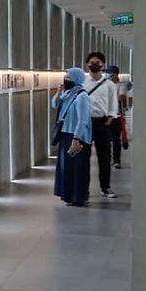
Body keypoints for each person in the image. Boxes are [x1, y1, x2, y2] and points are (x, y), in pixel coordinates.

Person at [53, 67, 93, 207]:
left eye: (69, 77)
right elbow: (55, 104)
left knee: (77, 169)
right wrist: (58, 93)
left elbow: (83, 120)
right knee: (67, 168)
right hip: (66, 135)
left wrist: (76, 138)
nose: (66, 79)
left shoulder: (82, 96)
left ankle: (78, 197)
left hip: (76, 136)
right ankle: (69, 196)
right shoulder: (68, 93)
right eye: (66, 77)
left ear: (76, 78)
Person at [83, 52, 120, 198]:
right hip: (85, 123)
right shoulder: (83, 82)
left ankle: (106, 187)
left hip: (103, 122)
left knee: (104, 157)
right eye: (92, 62)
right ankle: (83, 190)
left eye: (97, 62)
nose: (94, 65)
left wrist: (110, 118)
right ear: (87, 64)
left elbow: (113, 103)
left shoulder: (109, 84)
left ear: (102, 65)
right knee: (84, 157)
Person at [107, 65, 127, 168]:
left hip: (116, 116)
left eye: (111, 74)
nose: (109, 76)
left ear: (116, 74)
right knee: (105, 140)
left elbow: (121, 97)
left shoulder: (120, 86)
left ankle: (116, 160)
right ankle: (107, 159)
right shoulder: (104, 85)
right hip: (105, 116)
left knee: (115, 139)